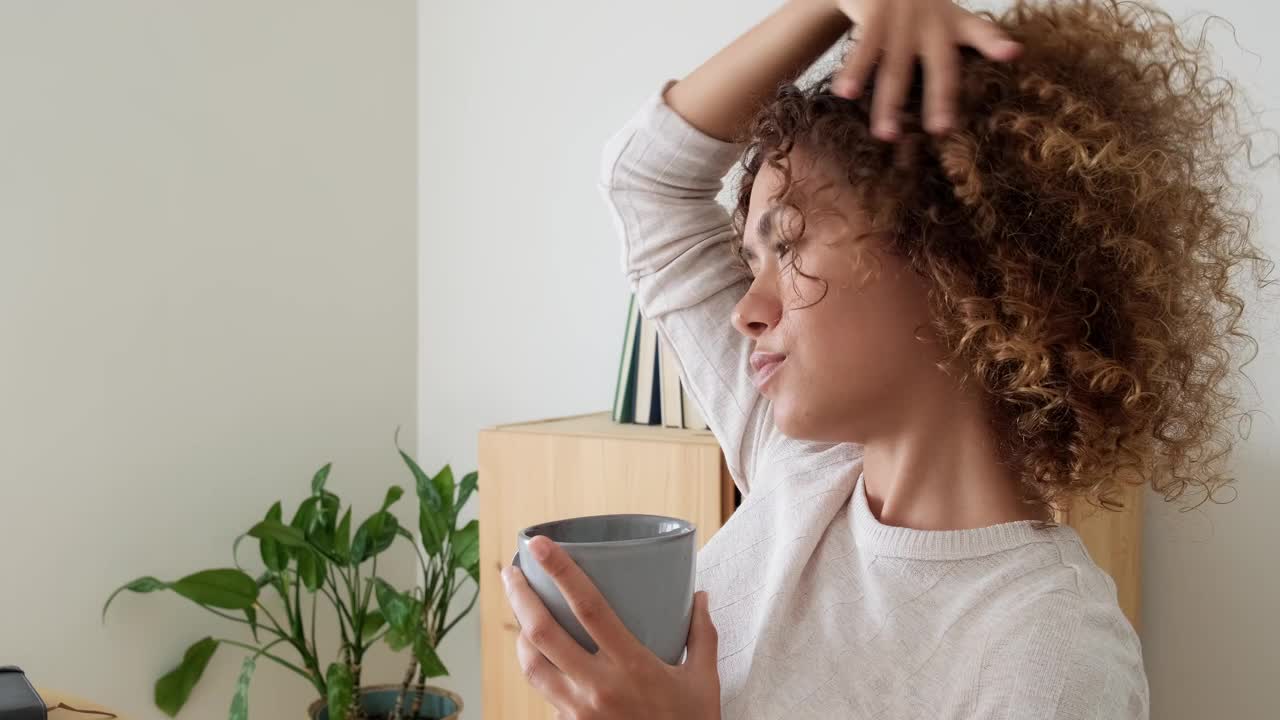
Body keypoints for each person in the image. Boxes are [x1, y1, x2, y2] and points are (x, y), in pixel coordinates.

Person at [498, 0, 1273, 717]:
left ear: (949, 261)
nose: (747, 309)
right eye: (756, 258)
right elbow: (646, 185)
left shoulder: (1050, 653)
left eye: (790, 244)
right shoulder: (800, 466)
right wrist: (837, 5)